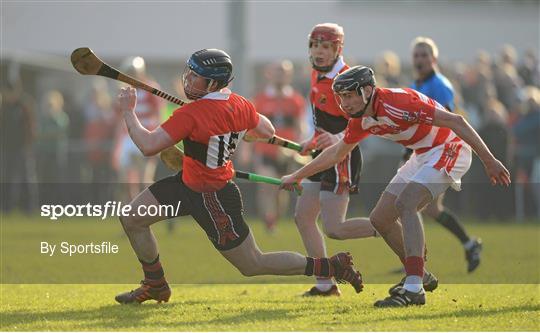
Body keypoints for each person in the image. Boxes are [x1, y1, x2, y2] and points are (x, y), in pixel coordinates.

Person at [114, 49, 363, 304]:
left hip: (214, 197)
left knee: (253, 263)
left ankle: (332, 267)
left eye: (196, 76)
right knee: (132, 218)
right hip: (187, 183)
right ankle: (155, 284)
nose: (188, 80)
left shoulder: (189, 114)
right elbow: (266, 129)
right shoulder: (240, 104)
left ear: (213, 83)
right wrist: (233, 129)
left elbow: (147, 145)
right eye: (189, 73)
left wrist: (128, 111)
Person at [280, 66, 510, 307]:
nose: (344, 103)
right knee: (380, 219)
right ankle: (419, 275)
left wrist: (489, 160)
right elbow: (336, 153)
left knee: (406, 204)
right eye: (340, 97)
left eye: (349, 95)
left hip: (449, 147)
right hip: (422, 154)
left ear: (367, 90)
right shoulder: (360, 119)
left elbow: (457, 121)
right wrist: (298, 174)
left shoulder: (399, 103)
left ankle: (413, 287)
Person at [294, 23, 376, 296]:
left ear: (337, 49)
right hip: (323, 152)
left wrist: (339, 136)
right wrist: (313, 139)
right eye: (315, 45)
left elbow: (366, 120)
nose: (319, 51)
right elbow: (324, 119)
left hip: (344, 156)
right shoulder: (316, 74)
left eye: (326, 46)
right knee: (304, 217)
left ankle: (389, 226)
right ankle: (325, 284)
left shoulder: (347, 77)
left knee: (335, 228)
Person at [408, 37, 483, 272]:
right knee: (428, 208)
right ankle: (469, 244)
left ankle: (413, 260)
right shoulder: (418, 83)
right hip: (427, 150)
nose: (420, 59)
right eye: (417, 55)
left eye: (424, 55)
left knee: (409, 204)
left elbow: (449, 120)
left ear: (434, 59)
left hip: (442, 151)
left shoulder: (439, 85)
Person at [252, 60, 306, 232]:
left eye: (284, 71)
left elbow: (300, 126)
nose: (281, 74)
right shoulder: (260, 99)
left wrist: (300, 147)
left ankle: (274, 218)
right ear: (270, 73)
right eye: (278, 71)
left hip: (287, 153)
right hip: (265, 151)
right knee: (266, 185)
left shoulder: (296, 100)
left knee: (281, 190)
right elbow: (250, 126)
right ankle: (268, 221)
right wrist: (246, 149)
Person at [112, 56, 162, 200]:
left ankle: (155, 207)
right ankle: (134, 210)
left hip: (147, 135)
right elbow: (119, 118)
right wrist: (117, 143)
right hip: (128, 138)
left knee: (144, 179)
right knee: (126, 180)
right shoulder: (124, 90)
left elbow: (158, 115)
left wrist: (158, 139)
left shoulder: (151, 89)